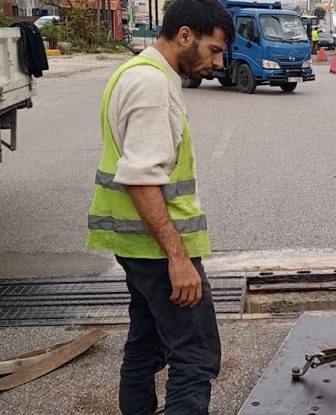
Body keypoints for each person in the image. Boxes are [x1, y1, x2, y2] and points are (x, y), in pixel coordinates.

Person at [85, 0, 234, 414]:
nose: (218, 62)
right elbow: (141, 177)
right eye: (213, 50)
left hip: (137, 247)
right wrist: (178, 259)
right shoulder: (151, 85)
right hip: (157, 251)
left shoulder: (135, 72)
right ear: (184, 35)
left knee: (146, 343)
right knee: (195, 356)